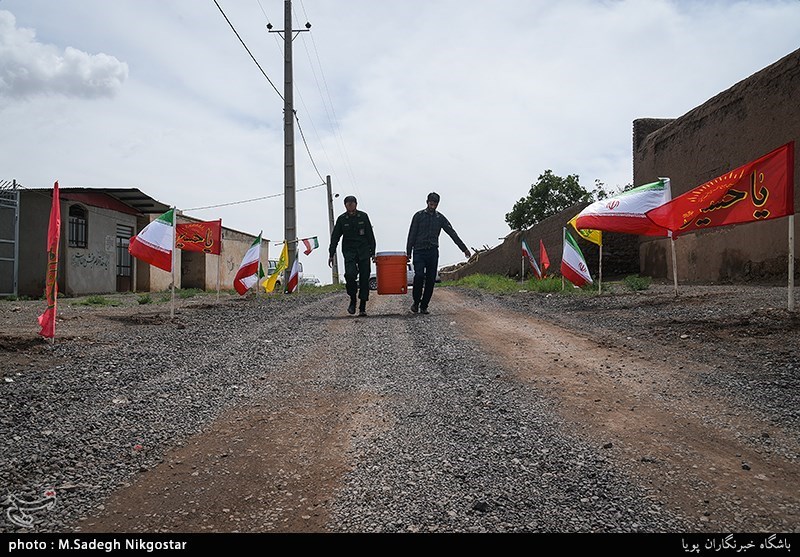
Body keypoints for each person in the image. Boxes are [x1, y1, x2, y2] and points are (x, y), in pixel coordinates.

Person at [406, 192, 471, 314]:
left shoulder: (440, 218)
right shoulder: (418, 216)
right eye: (431, 203)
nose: (433, 205)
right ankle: (416, 302)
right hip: (419, 251)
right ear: (427, 202)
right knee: (419, 276)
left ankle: (424, 306)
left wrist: (464, 249)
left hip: (432, 252)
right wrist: (408, 253)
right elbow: (412, 234)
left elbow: (452, 233)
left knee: (431, 279)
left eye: (435, 203)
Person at [329, 195, 376, 316]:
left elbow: (370, 235)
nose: (350, 205)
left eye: (352, 203)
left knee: (365, 278)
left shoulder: (363, 217)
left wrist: (373, 252)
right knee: (350, 275)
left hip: (364, 251)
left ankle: (363, 306)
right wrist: (331, 253)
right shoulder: (342, 219)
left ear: (356, 204)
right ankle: (353, 299)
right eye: (348, 203)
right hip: (349, 251)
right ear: (345, 205)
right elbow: (335, 237)